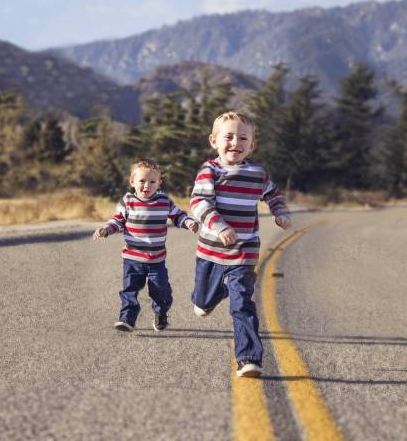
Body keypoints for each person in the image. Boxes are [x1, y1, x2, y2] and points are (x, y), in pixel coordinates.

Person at [190, 111, 291, 377]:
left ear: (252, 145)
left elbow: (273, 194)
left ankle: (249, 358)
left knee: (243, 304)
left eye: (243, 138)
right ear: (214, 141)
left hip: (243, 254)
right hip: (211, 252)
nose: (235, 142)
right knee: (201, 303)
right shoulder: (209, 171)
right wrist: (219, 226)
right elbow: (199, 204)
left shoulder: (257, 173)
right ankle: (212, 295)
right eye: (229, 137)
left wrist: (280, 212)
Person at [94, 159, 199, 332]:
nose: (146, 186)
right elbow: (118, 220)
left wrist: (188, 223)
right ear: (132, 181)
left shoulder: (164, 201)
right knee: (129, 290)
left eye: (152, 182)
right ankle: (127, 318)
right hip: (132, 258)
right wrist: (106, 229)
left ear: (159, 183)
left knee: (161, 291)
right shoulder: (127, 201)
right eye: (142, 181)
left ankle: (161, 312)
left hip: (156, 259)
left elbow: (178, 216)